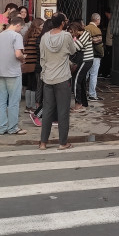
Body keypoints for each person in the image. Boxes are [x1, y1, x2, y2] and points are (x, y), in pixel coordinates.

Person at [38, 13, 76, 150]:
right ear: (62, 23)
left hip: (48, 78)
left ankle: (43, 142)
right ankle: (62, 143)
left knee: (47, 110)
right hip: (63, 78)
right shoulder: (66, 36)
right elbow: (73, 51)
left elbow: (42, 58)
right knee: (63, 111)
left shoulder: (44, 37)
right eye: (65, 21)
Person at [0, 16, 27, 135]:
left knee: (2, 101)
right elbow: (18, 53)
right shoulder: (16, 36)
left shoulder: (0, 35)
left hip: (0, 71)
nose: (21, 30)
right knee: (13, 101)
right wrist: (23, 58)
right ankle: (13, 128)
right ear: (18, 25)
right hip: (13, 72)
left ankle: (2, 127)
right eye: (21, 28)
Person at [69, 21, 93, 112]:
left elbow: (76, 47)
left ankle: (78, 104)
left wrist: (70, 41)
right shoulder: (79, 36)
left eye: (72, 31)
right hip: (82, 61)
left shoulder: (86, 34)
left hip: (85, 61)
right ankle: (83, 103)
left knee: (75, 81)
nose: (71, 33)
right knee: (81, 82)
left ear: (76, 29)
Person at [22, 17, 44, 114]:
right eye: (42, 25)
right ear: (38, 26)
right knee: (34, 85)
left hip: (27, 63)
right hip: (34, 63)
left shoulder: (27, 35)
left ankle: (28, 106)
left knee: (29, 85)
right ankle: (32, 106)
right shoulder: (38, 35)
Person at [85, 13, 104, 102]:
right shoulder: (96, 30)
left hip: (86, 55)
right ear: (97, 20)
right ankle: (92, 94)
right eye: (99, 20)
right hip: (95, 55)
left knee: (85, 74)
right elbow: (98, 45)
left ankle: (82, 92)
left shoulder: (85, 28)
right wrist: (102, 54)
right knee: (93, 75)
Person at [100, 8, 113, 78]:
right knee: (107, 58)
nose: (107, 16)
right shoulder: (111, 21)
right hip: (109, 43)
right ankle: (105, 72)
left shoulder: (113, 22)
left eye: (107, 15)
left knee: (108, 58)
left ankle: (106, 73)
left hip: (110, 43)